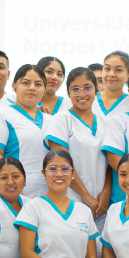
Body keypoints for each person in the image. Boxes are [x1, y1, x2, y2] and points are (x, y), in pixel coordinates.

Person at [17, 148, 100, 258]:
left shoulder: (83, 211)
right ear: (43, 173)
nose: (59, 174)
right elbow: (26, 252)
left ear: (72, 173)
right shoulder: (33, 207)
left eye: (65, 169)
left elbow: (91, 257)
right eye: (53, 169)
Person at [45, 66, 112, 216]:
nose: (82, 94)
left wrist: (106, 193)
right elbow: (61, 165)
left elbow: (110, 164)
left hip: (100, 204)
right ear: (68, 93)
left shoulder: (104, 123)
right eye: (75, 89)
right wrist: (85, 195)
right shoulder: (62, 120)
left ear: (96, 89)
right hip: (71, 198)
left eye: (87, 88)